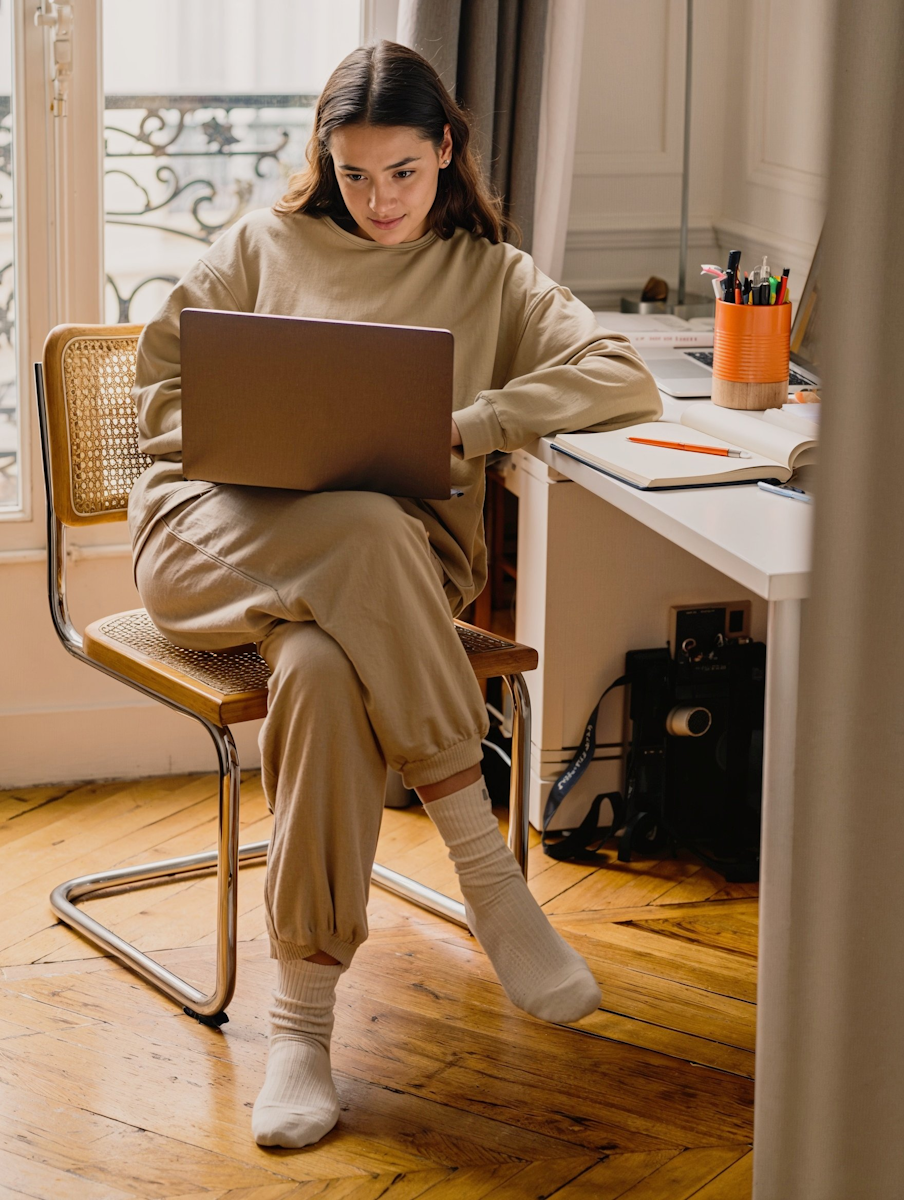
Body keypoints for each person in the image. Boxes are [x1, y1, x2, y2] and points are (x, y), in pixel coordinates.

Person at [130, 39, 662, 1150]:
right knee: (358, 526)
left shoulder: (491, 276)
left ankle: (301, 1031)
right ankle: (484, 867)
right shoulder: (263, 242)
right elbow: (164, 385)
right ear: (327, 158)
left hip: (381, 581)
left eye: (403, 173)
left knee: (325, 664)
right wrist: (252, 444)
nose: (378, 200)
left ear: (446, 153)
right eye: (356, 173)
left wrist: (461, 426)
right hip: (215, 537)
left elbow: (621, 375)